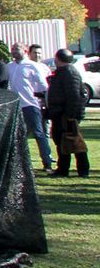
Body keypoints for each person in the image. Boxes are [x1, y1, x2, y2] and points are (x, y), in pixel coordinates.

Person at [5, 46, 53, 172]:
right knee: (18, 135)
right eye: (13, 49)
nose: (14, 51)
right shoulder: (9, 66)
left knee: (38, 133)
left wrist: (40, 99)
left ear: (25, 51)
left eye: (17, 49)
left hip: (30, 105)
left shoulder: (32, 66)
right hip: (15, 106)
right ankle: (18, 163)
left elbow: (43, 86)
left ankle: (47, 162)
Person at [44, 49, 90, 178]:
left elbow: (74, 96)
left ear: (58, 59)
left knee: (75, 142)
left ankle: (83, 169)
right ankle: (63, 168)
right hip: (60, 113)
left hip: (66, 114)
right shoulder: (63, 73)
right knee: (61, 141)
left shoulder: (70, 73)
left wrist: (70, 115)